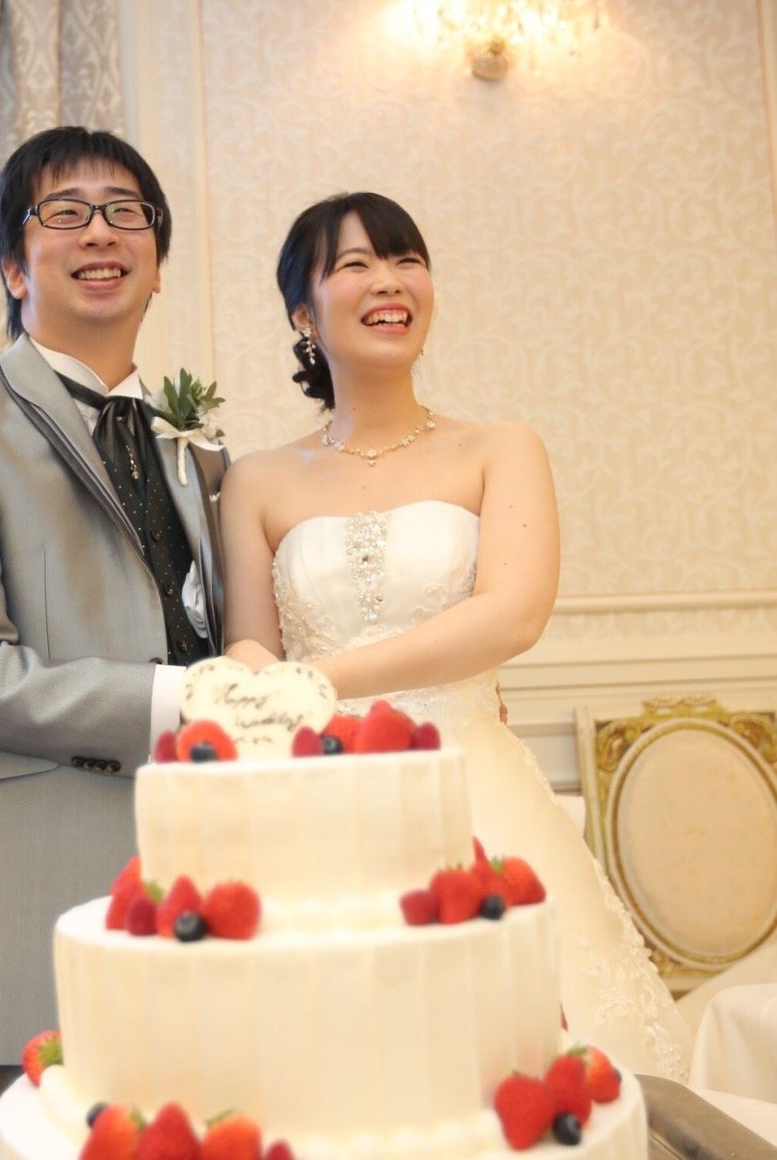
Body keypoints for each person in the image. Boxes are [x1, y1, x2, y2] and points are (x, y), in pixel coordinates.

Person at [220, 191, 691, 1081]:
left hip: (476, 788)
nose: (389, 281)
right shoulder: (256, 481)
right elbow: (252, 648)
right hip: (322, 800)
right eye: (354, 264)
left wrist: (316, 682)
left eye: (406, 260)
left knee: (532, 1066)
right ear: (302, 314)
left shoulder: (500, 448)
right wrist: (255, 682)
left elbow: (512, 614)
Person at [0, 126, 228, 1117]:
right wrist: (177, 699)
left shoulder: (200, 452)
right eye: (65, 212)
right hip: (28, 892)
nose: (100, 232)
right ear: (12, 266)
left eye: (126, 212)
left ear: (157, 260)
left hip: (199, 890)